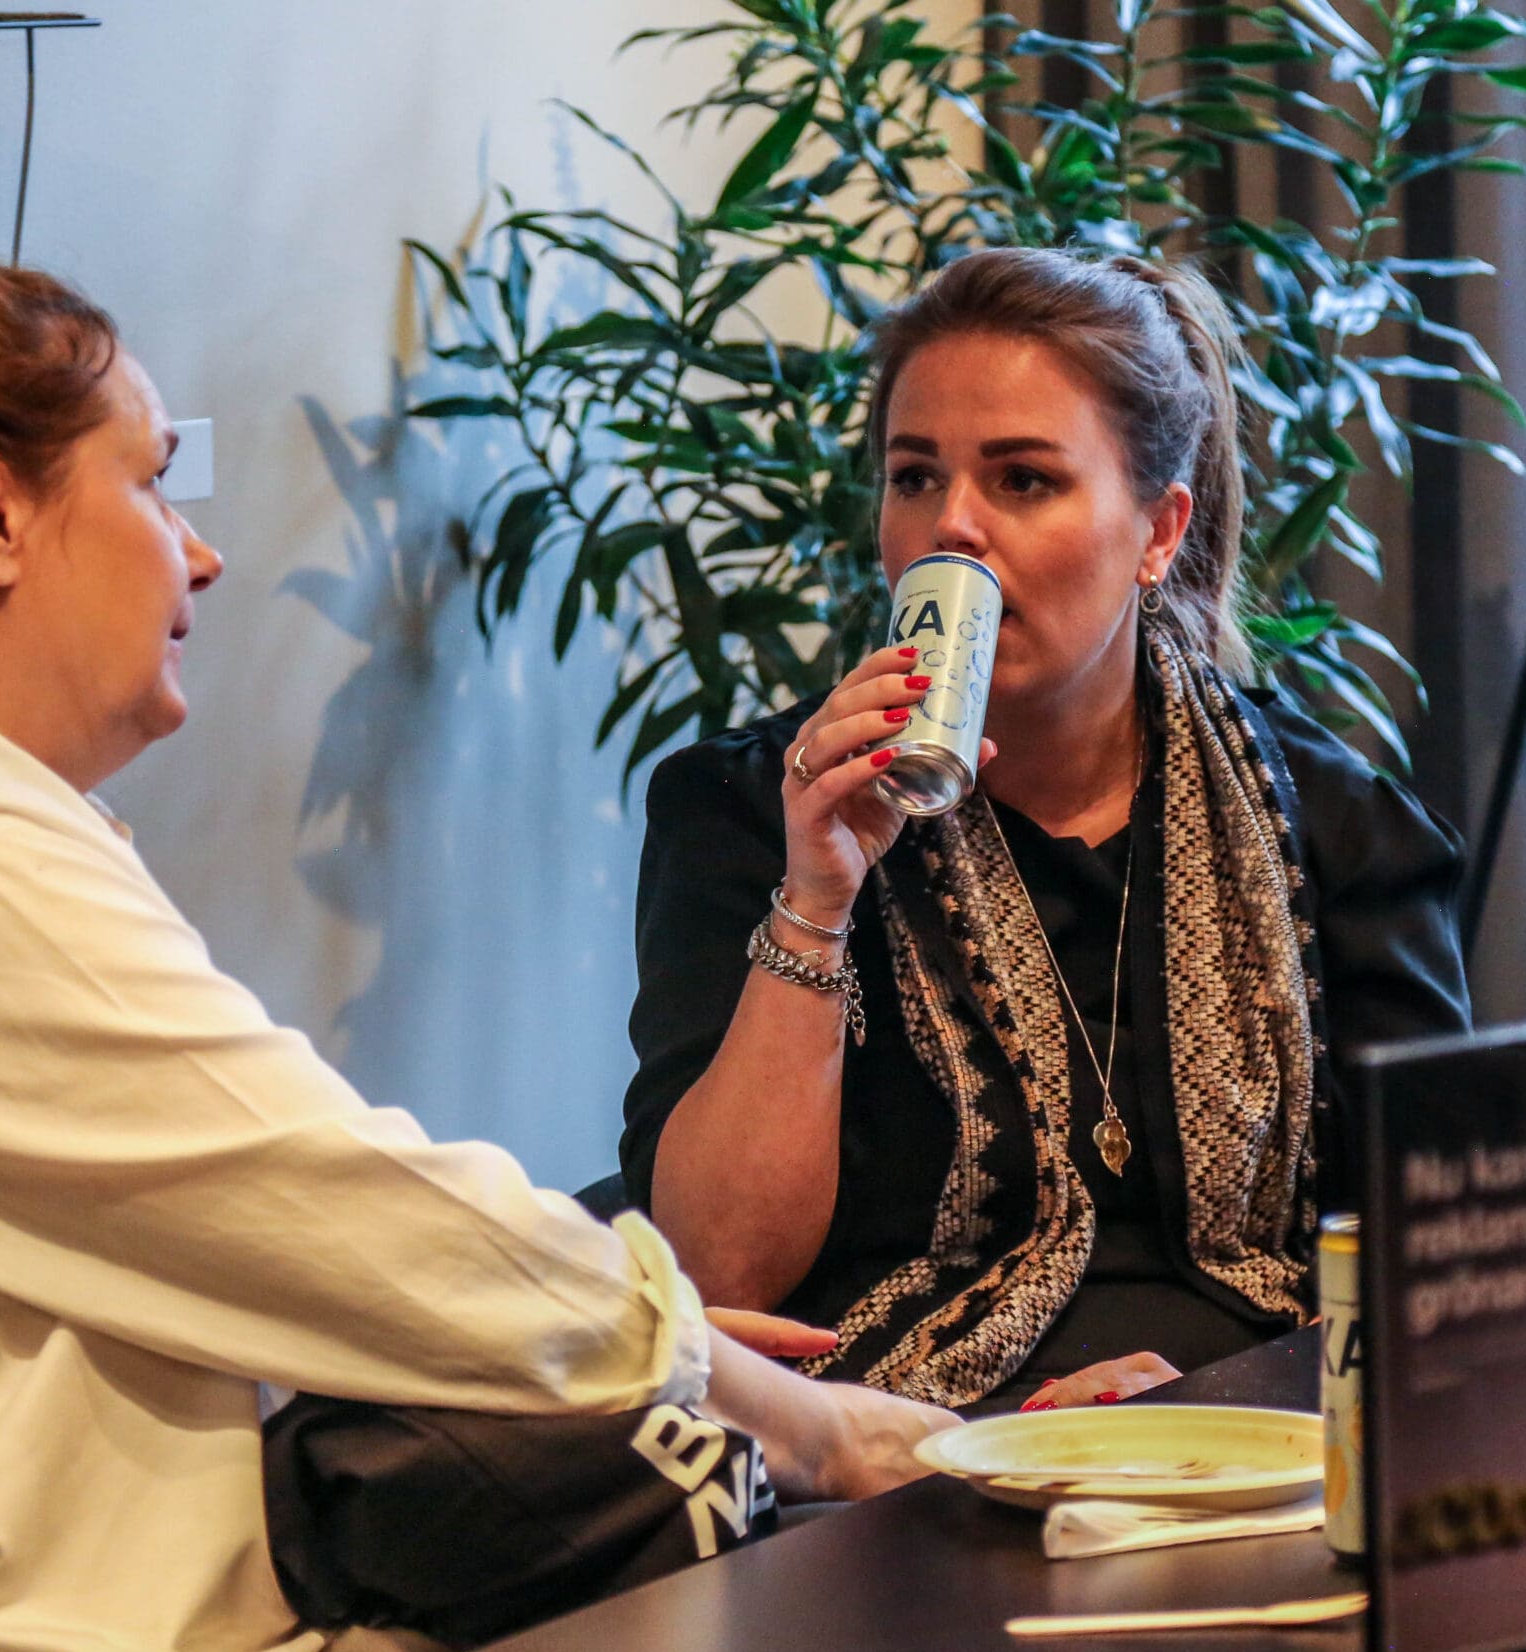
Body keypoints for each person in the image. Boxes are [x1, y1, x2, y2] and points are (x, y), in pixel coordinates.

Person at [0, 258, 951, 1652]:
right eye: (153, 483)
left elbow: (293, 1234)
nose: (199, 555)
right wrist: (817, 1424)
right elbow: (367, 1220)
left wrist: (660, 1346)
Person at [621, 248, 1469, 1413]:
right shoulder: (751, 806)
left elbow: (1439, 1256)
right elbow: (718, 1278)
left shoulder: (1334, 824)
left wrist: (1207, 1405)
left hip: (1255, 1434)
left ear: (1157, 531)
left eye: (1022, 480)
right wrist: (816, 899)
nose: (952, 526)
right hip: (887, 1442)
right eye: (913, 477)